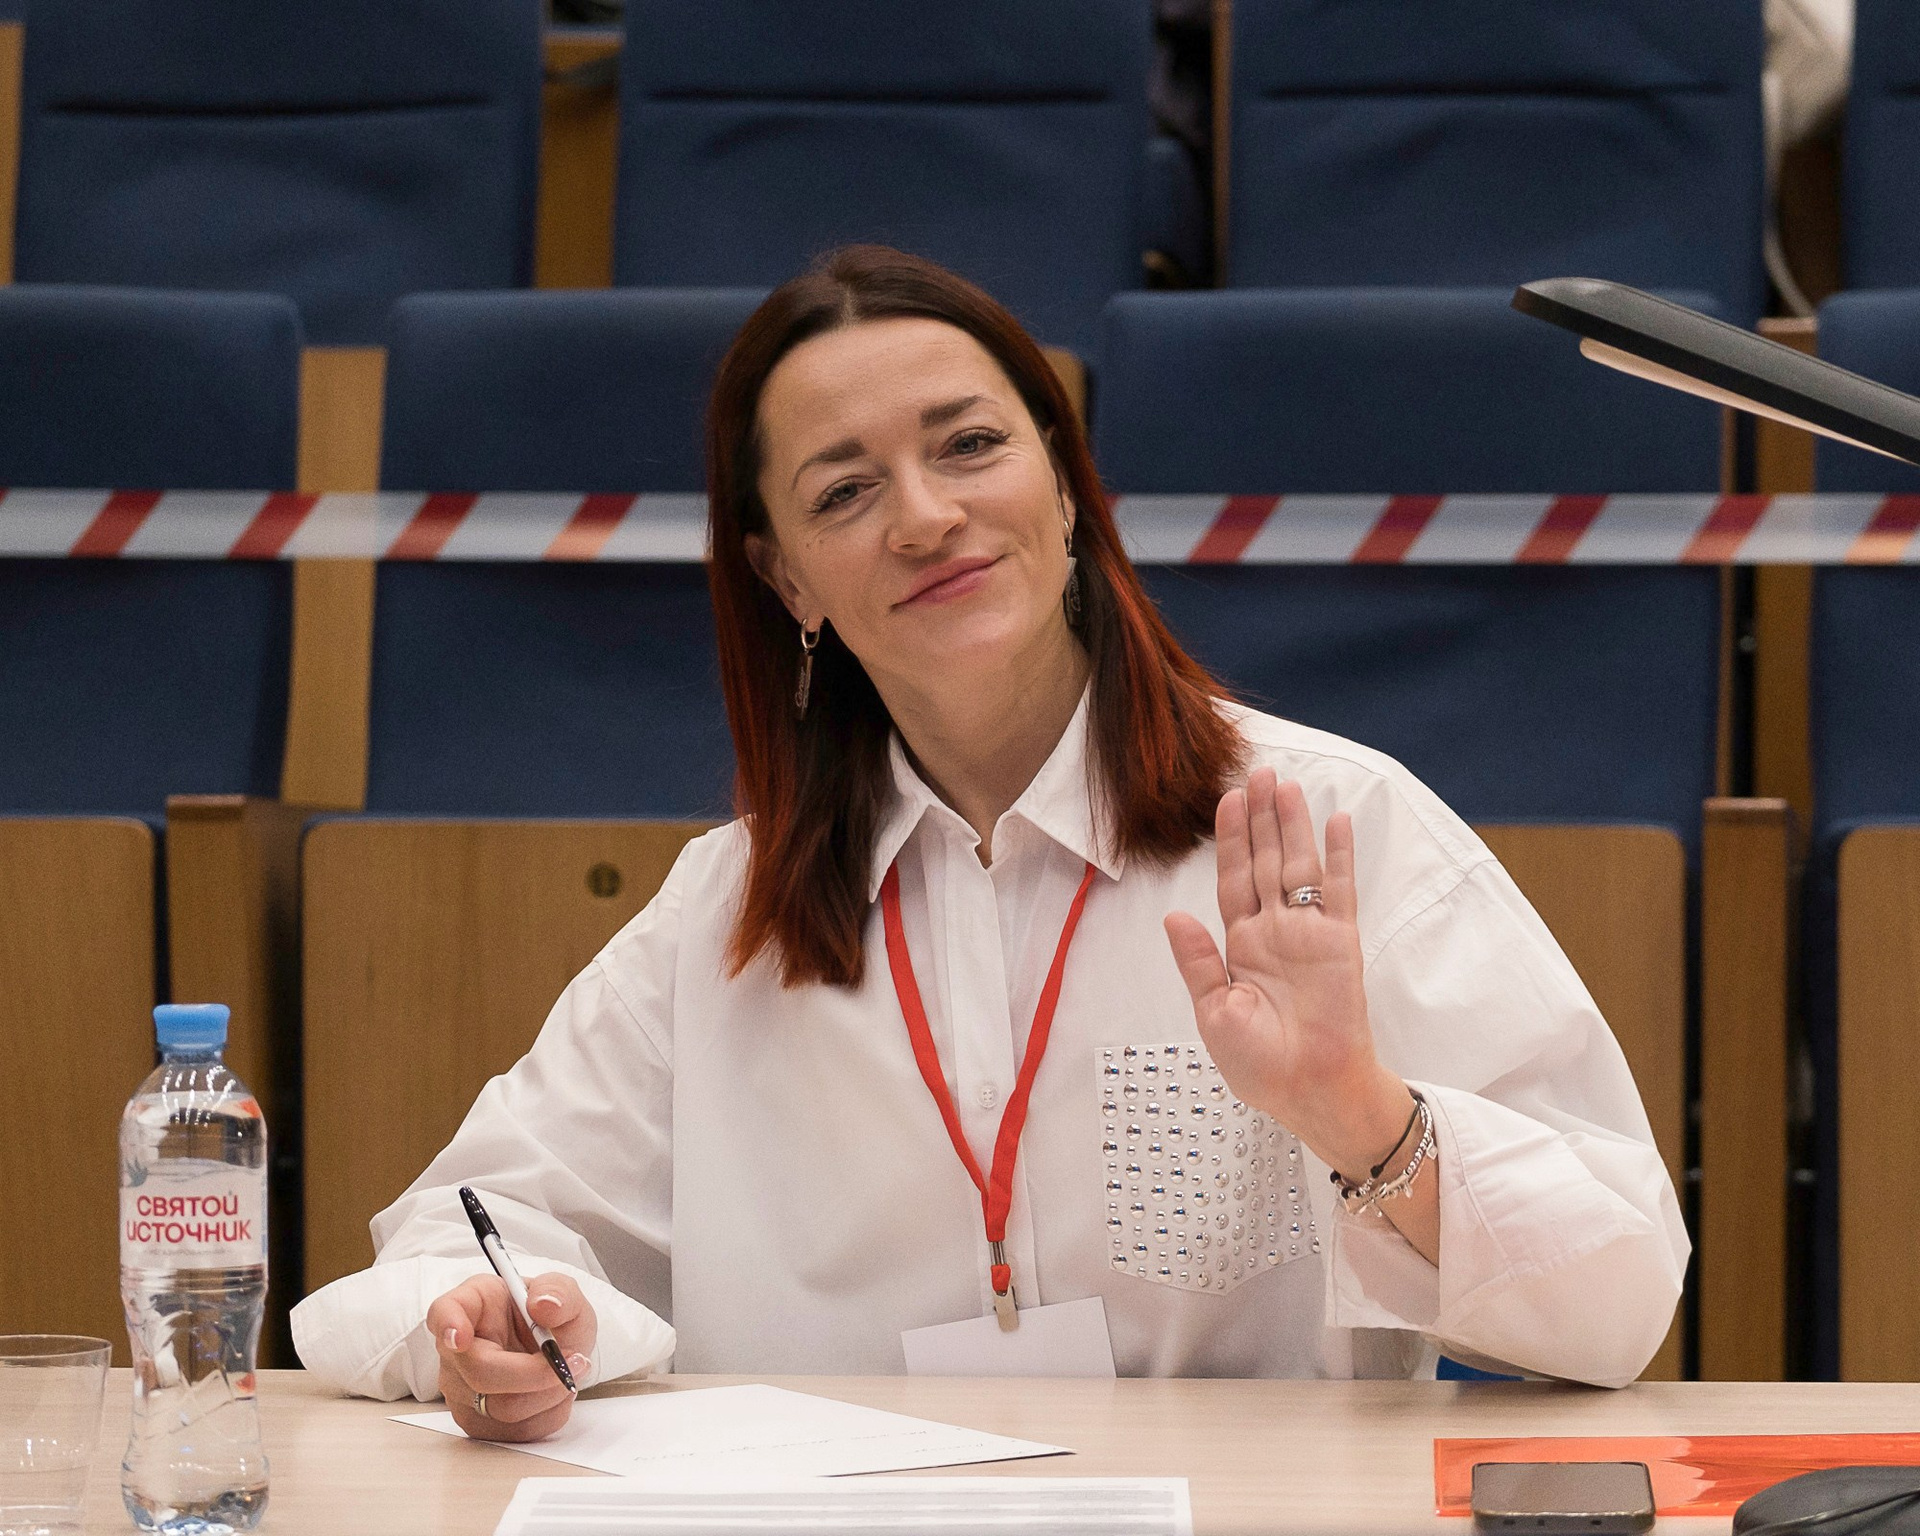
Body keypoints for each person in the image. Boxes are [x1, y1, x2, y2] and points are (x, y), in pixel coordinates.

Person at [292, 246, 1687, 1440]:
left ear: (1066, 484)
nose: (925, 517)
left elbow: (1623, 1303)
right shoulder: (729, 910)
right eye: (844, 493)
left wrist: (1365, 1117)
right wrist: (500, 1323)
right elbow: (454, 1243)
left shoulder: (1327, 825)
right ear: (786, 578)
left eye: (969, 446)